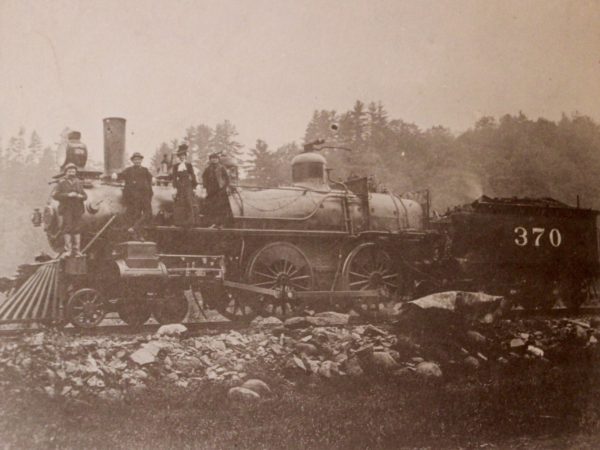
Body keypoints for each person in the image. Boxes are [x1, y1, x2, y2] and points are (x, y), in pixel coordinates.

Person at [52, 163, 87, 257]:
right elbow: (55, 195)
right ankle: (68, 250)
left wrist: (80, 196)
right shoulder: (61, 182)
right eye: (70, 171)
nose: (72, 172)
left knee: (77, 228)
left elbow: (85, 196)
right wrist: (67, 195)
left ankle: (77, 250)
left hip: (77, 209)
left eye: (73, 171)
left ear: (75, 172)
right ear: (66, 172)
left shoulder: (79, 182)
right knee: (67, 228)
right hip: (67, 208)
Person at [120, 152, 153, 239]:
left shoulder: (145, 170)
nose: (137, 161)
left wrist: (149, 194)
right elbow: (121, 175)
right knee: (135, 215)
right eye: (135, 160)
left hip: (144, 196)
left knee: (147, 214)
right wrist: (115, 175)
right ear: (133, 161)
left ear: (141, 160)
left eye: (139, 159)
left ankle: (134, 228)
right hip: (133, 197)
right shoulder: (129, 170)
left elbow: (151, 180)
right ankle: (138, 234)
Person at [202, 152, 231, 227]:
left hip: (220, 191)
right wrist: (205, 186)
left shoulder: (221, 168)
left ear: (218, 159)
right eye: (212, 158)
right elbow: (204, 177)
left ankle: (221, 223)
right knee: (211, 207)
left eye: (215, 158)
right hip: (211, 190)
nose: (214, 160)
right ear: (210, 160)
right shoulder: (208, 169)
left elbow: (227, 179)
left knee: (221, 207)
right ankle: (212, 223)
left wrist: (224, 187)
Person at [172, 144, 198, 226]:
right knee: (179, 202)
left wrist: (194, 187)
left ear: (185, 156)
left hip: (188, 184)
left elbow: (193, 175)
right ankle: (179, 222)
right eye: (180, 156)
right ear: (178, 157)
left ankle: (190, 222)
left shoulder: (188, 165)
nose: (182, 157)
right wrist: (175, 188)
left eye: (183, 155)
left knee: (188, 201)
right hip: (179, 185)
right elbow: (174, 177)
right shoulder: (175, 166)